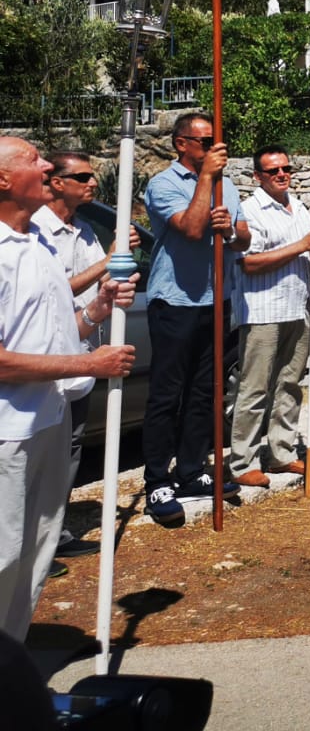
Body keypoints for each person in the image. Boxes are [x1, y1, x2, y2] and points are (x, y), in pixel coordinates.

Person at [0, 137, 136, 640]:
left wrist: (97, 309)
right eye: (33, 160)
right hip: (8, 432)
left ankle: (12, 657)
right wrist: (87, 364)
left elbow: (57, 331)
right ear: (3, 180)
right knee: (4, 552)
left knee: (36, 551)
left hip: (51, 418)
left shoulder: (38, 242)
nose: (46, 166)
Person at [142, 112, 249, 525]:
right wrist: (206, 178)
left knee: (205, 391)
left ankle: (190, 470)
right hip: (175, 301)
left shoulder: (228, 185)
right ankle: (157, 480)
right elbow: (189, 227)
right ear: (181, 144)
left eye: (216, 141)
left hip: (215, 300)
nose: (213, 148)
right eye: (204, 142)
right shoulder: (164, 184)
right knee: (167, 394)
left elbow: (243, 237)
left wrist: (230, 232)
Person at [34, 151, 134, 565]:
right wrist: (107, 263)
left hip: (83, 351)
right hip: (45, 360)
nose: (93, 182)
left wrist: (117, 268)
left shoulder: (85, 230)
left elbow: (97, 283)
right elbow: (57, 290)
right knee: (38, 452)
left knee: (70, 449)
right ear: (57, 183)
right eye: (83, 176)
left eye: (93, 175)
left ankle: (54, 534)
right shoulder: (37, 230)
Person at [230, 147, 310, 487]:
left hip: (297, 306)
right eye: (273, 171)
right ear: (258, 176)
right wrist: (302, 246)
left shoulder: (299, 207)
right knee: (254, 387)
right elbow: (249, 263)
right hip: (263, 309)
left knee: (289, 384)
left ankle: (281, 452)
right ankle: (242, 461)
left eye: (286, 168)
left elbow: (307, 254)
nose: (282, 174)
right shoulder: (250, 211)